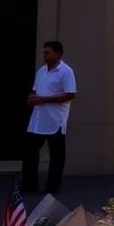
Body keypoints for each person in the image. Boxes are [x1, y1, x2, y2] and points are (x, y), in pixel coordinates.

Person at [22, 41, 77, 194]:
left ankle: (52, 187)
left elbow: (70, 94)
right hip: (38, 119)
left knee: (56, 155)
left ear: (58, 54)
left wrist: (44, 99)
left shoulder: (65, 71)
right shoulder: (41, 71)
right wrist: (32, 97)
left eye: (48, 52)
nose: (44, 55)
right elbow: (35, 90)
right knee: (29, 151)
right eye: (44, 52)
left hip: (55, 120)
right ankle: (29, 185)